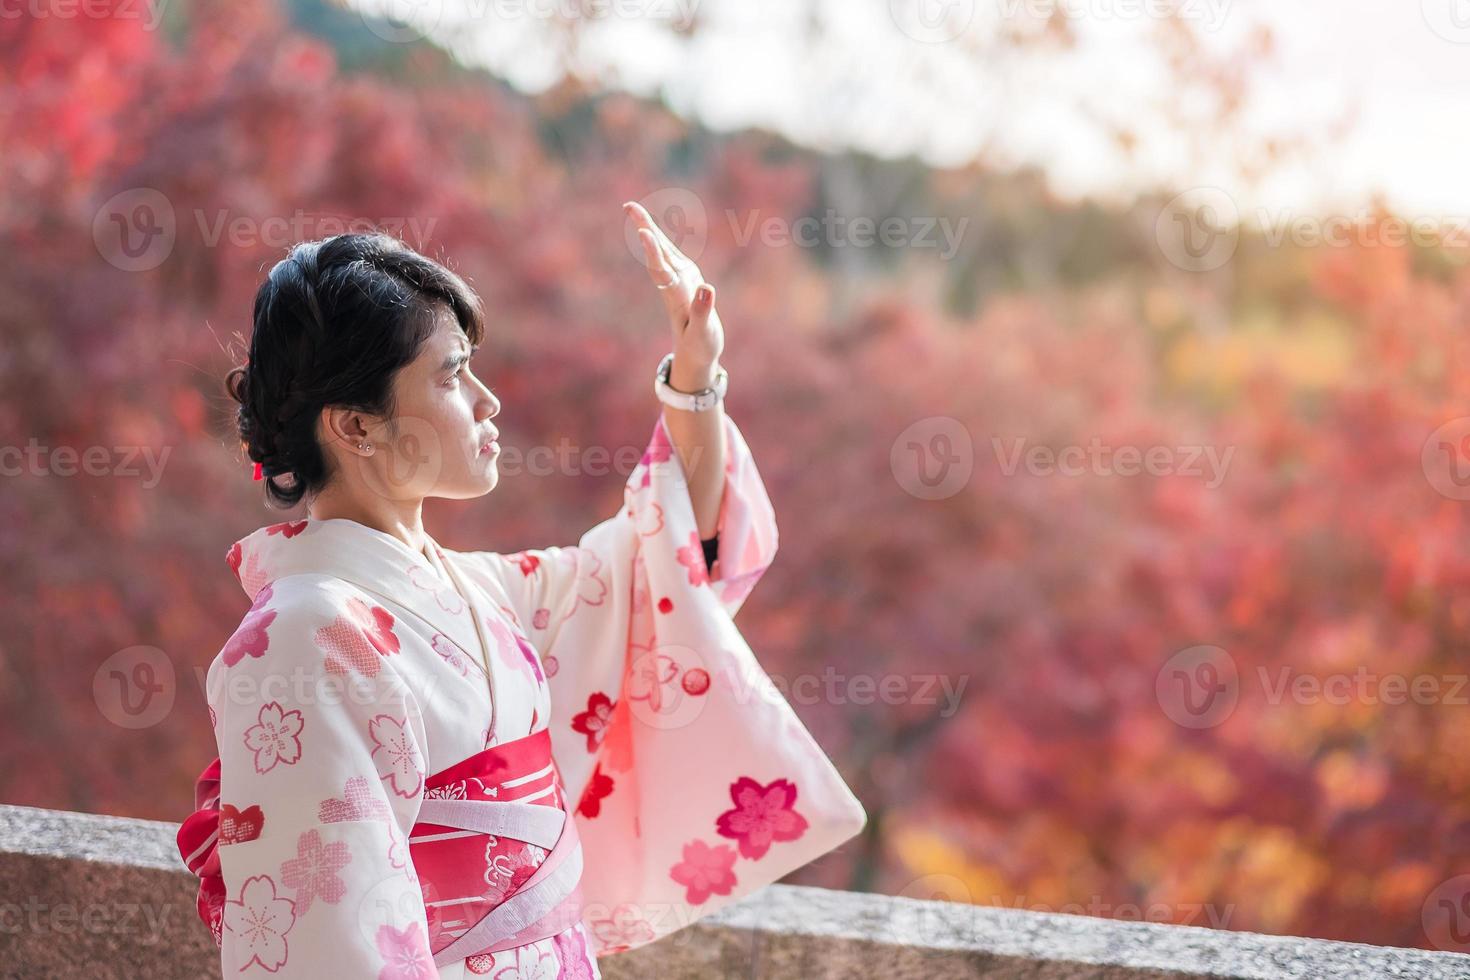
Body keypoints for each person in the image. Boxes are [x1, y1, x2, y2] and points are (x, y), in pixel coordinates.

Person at [176, 204, 868, 978]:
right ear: (355, 427)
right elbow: (334, 946)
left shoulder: (480, 592)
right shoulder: (307, 636)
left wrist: (695, 374)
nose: (486, 399)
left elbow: (655, 570)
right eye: (450, 375)